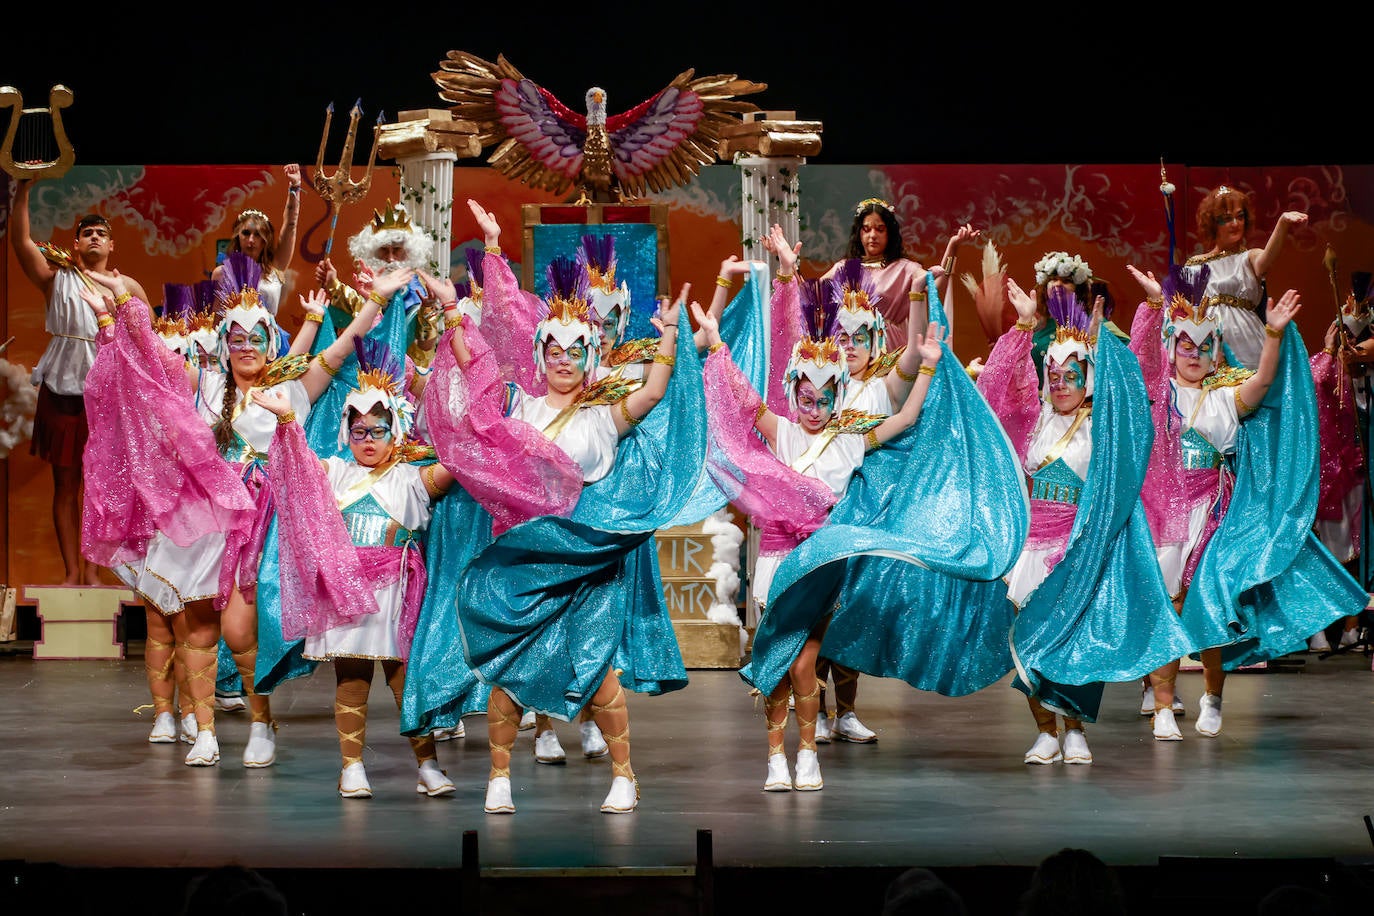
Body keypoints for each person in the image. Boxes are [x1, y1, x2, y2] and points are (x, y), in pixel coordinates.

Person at [430, 203, 702, 813]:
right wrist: (453, 311)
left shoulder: (606, 417)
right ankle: (499, 778)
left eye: (572, 350)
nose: (560, 359)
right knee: (508, 676)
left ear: (588, 356)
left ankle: (625, 776)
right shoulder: (519, 407)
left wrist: (670, 337)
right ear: (539, 352)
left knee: (598, 675)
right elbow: (475, 371)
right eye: (551, 349)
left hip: (582, 557)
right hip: (525, 557)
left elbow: (655, 392)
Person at [80, 253, 401, 767]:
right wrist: (126, 300)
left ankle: (260, 722)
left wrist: (377, 298)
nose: (246, 347)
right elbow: (153, 359)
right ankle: (205, 731)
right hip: (209, 520)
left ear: (270, 341)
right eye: (237, 338)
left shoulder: (290, 387)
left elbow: (340, 350)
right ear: (225, 343)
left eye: (256, 338)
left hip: (264, 525)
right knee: (198, 629)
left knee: (237, 632)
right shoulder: (205, 386)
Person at [694, 247, 945, 791]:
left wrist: (926, 364)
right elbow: (742, 403)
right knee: (777, 664)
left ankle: (806, 751)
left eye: (824, 398)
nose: (813, 408)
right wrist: (716, 347)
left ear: (837, 396)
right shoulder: (782, 431)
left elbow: (903, 416)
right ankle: (774, 759)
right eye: (805, 398)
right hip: (775, 561)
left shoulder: (850, 439)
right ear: (794, 394)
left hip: (822, 558)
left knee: (806, 663)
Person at [1128, 262, 1366, 739]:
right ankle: (1160, 706)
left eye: (1203, 346)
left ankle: (1212, 696)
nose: (1193, 355)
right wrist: (1157, 307)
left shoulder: (1226, 396)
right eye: (1184, 345)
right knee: (1169, 607)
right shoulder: (1158, 393)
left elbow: (1262, 384)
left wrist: (1273, 334)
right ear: (1172, 350)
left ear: (1216, 351)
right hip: (1165, 514)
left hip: (1217, 514)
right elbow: (1142, 359)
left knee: (1209, 603)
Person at [979, 262, 1190, 765]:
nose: (1060, 385)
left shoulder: (1102, 426)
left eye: (1071, 377)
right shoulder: (1035, 419)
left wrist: (1127, 328)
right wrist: (1026, 326)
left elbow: (1141, 394)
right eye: (1053, 377)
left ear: (1087, 378)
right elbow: (993, 389)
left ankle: (1075, 729)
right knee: (1028, 640)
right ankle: (1046, 731)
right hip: (1032, 547)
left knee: (1072, 642)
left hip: (1079, 546)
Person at [253, 340, 457, 798]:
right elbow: (293, 467)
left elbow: (461, 465)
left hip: (398, 599)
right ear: (347, 431)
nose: (369, 440)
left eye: (379, 431)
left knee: (406, 682)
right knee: (352, 681)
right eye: (360, 430)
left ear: (396, 431)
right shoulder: (335, 473)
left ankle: (427, 766)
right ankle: (351, 767)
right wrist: (287, 419)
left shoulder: (413, 478)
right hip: (347, 597)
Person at [803, 248, 939, 745]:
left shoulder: (884, 388)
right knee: (820, 611)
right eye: (844, 336)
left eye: (862, 336)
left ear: (876, 338)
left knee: (853, 610)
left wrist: (920, 293)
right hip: (821, 513)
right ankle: (813, 709)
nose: (852, 345)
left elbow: (917, 348)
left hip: (870, 512)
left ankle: (846, 711)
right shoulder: (819, 389)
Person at [10, 177, 149, 585]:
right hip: (61, 393)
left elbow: (152, 339)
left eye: (100, 234)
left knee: (102, 487)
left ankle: (93, 570)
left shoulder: (128, 288)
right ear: (75, 244)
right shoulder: (56, 279)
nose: (93, 238)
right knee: (66, 484)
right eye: (86, 233)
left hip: (107, 398)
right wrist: (22, 190)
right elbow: (21, 243)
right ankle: (72, 572)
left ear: (111, 246)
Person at [1307, 279, 1374, 651]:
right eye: (1347, 336)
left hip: (1362, 476)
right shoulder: (1326, 369)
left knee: (1359, 551)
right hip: (1330, 476)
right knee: (1325, 550)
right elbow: (1315, 385)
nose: (1353, 345)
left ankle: (1353, 625)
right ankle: (1317, 627)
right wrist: (1330, 351)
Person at [1178, 186, 1307, 370]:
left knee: (1252, 394)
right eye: (1226, 218)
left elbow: (1267, 258)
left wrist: (1282, 224)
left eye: (1240, 217)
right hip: (1207, 345)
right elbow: (1181, 313)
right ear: (1213, 223)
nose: (1235, 223)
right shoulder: (1194, 265)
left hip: (1248, 344)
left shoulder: (1249, 257)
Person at [821, 197, 978, 349]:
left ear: (890, 233)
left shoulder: (905, 268)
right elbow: (811, 294)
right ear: (859, 233)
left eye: (880, 229)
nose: (873, 235)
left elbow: (935, 287)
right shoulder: (844, 268)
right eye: (866, 229)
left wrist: (953, 246)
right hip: (849, 348)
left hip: (888, 350)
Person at [211, 163, 303, 318]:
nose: (251, 240)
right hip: (234, 341)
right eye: (246, 233)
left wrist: (295, 187)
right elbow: (216, 319)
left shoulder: (276, 268)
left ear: (265, 240)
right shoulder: (222, 273)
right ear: (237, 237)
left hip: (269, 340)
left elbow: (290, 225)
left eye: (258, 234)